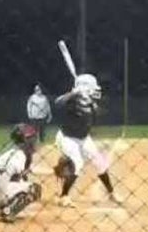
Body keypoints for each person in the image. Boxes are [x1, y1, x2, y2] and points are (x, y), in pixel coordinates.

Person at [52, 74, 121, 207]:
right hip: (67, 138)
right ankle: (64, 196)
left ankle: (111, 193)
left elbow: (94, 116)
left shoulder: (90, 102)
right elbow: (58, 103)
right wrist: (73, 93)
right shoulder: (72, 100)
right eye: (92, 88)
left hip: (83, 138)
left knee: (101, 164)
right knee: (78, 163)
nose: (95, 91)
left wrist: (88, 103)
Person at [0, 123, 42, 223]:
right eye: (32, 139)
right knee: (33, 189)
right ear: (25, 140)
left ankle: (4, 207)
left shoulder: (18, 152)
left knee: (24, 181)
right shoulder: (19, 156)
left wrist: (54, 171)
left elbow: (26, 172)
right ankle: (7, 212)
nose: (35, 142)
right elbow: (4, 179)